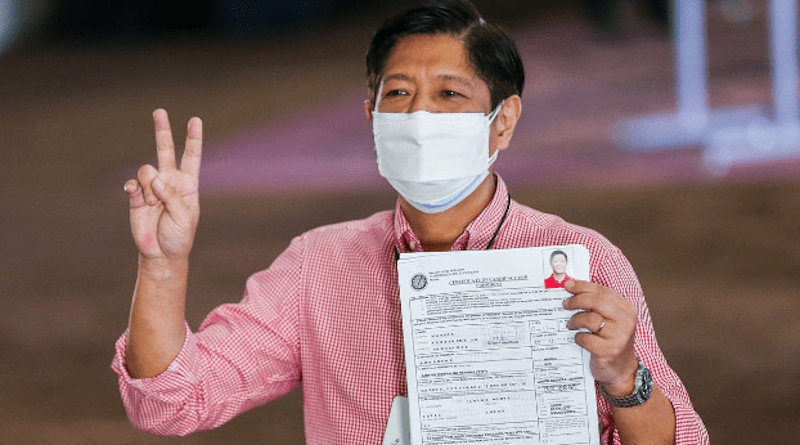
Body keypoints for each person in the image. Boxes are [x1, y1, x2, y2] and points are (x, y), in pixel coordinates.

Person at [112, 1, 709, 443]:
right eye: (398, 93)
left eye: (450, 95)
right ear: (372, 115)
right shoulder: (317, 266)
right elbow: (174, 402)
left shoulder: (580, 259)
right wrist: (163, 266)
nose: (420, 113)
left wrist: (624, 376)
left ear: (502, 121)